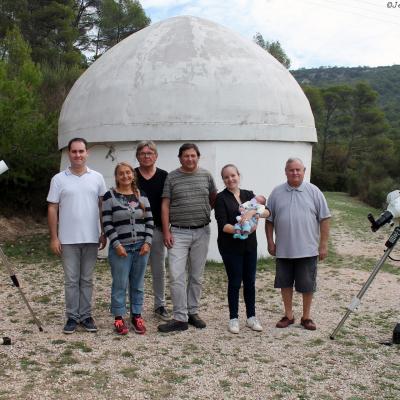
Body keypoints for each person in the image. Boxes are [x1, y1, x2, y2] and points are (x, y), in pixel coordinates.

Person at [47, 137, 107, 334]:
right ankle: (72, 317)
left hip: (91, 237)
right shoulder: (58, 179)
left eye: (81, 151)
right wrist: (54, 237)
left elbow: (102, 207)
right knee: (71, 280)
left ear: (87, 153)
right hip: (68, 239)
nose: (78, 155)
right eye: (74, 151)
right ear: (69, 153)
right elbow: (53, 208)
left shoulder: (97, 177)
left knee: (87, 279)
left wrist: (104, 232)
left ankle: (86, 316)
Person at [265, 157, 331, 331]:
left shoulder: (314, 191)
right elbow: (269, 219)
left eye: (298, 170)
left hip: (307, 249)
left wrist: (323, 245)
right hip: (283, 249)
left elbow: (325, 218)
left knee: (307, 285)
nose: (295, 173)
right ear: (285, 171)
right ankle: (288, 315)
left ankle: (306, 317)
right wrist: (270, 242)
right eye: (291, 170)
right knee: (285, 283)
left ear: (304, 171)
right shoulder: (276, 192)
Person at [158, 143, 217, 333]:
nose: (189, 159)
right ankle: (180, 317)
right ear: (180, 158)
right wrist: (166, 231)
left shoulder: (206, 175)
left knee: (196, 275)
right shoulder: (172, 177)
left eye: (193, 155)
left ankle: (193, 311)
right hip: (178, 232)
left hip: (201, 231)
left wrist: (203, 211)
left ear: (198, 157)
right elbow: (165, 205)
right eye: (186, 156)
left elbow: (213, 197)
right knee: (176, 275)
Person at [215, 164, 270, 334]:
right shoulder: (221, 198)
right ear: (223, 180)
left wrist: (254, 214)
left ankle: (251, 317)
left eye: (233, 175)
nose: (230, 179)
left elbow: (267, 211)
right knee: (234, 281)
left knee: (250, 281)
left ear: (239, 175)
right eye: (226, 177)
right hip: (230, 246)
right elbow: (223, 225)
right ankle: (233, 318)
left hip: (249, 246)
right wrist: (241, 229)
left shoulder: (248, 194)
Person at [102, 162, 154, 335]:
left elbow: (149, 221)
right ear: (116, 177)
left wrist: (147, 242)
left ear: (133, 175)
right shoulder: (109, 196)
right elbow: (107, 223)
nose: (125, 176)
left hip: (141, 247)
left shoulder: (141, 196)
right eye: (121, 173)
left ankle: (136, 315)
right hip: (121, 248)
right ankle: (118, 318)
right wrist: (116, 245)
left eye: (128, 172)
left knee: (138, 284)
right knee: (120, 283)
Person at [134, 141, 170, 321]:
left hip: (156, 229)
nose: (146, 156)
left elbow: (168, 204)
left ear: (155, 156)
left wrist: (167, 230)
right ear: (137, 156)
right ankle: (135, 307)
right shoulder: (130, 175)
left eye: (150, 153)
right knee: (136, 270)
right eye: (142, 153)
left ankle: (160, 305)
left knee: (159, 269)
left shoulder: (164, 176)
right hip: (136, 230)